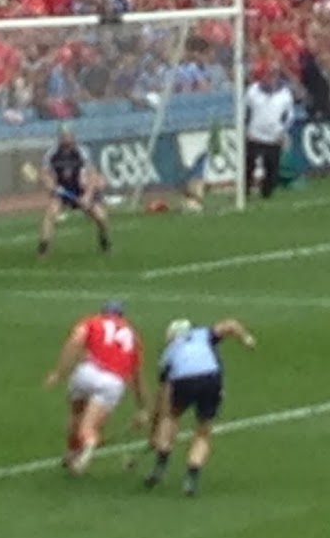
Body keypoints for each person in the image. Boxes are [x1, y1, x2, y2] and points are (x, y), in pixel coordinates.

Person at [144, 315, 258, 496]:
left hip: (182, 381)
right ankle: (191, 477)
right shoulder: (203, 334)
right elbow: (230, 324)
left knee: (171, 417)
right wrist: (246, 338)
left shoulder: (168, 353)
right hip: (210, 377)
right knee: (203, 431)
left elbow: (163, 397)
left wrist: (154, 429)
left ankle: (160, 465)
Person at [43, 300, 149, 475]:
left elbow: (75, 342)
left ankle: (72, 452)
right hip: (113, 381)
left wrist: (59, 372)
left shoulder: (92, 322)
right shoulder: (133, 335)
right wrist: (142, 407)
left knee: (76, 413)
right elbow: (137, 375)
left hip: (88, 372)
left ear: (103, 312)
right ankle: (88, 442)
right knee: (90, 426)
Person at [38, 124, 112, 257]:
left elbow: (92, 175)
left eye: (68, 135)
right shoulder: (51, 153)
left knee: (101, 217)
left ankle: (104, 242)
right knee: (50, 214)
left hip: (81, 190)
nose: (66, 138)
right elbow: (44, 174)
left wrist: (87, 196)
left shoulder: (82, 152)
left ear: (73, 136)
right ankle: (44, 247)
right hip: (61, 191)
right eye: (63, 136)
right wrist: (49, 183)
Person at [242, 67, 294, 200]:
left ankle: (267, 192)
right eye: (268, 76)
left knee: (271, 167)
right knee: (249, 164)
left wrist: (282, 132)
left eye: (274, 76)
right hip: (254, 135)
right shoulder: (252, 91)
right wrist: (246, 129)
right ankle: (245, 191)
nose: (271, 79)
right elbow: (244, 111)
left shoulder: (285, 93)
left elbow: (289, 115)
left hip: (274, 137)